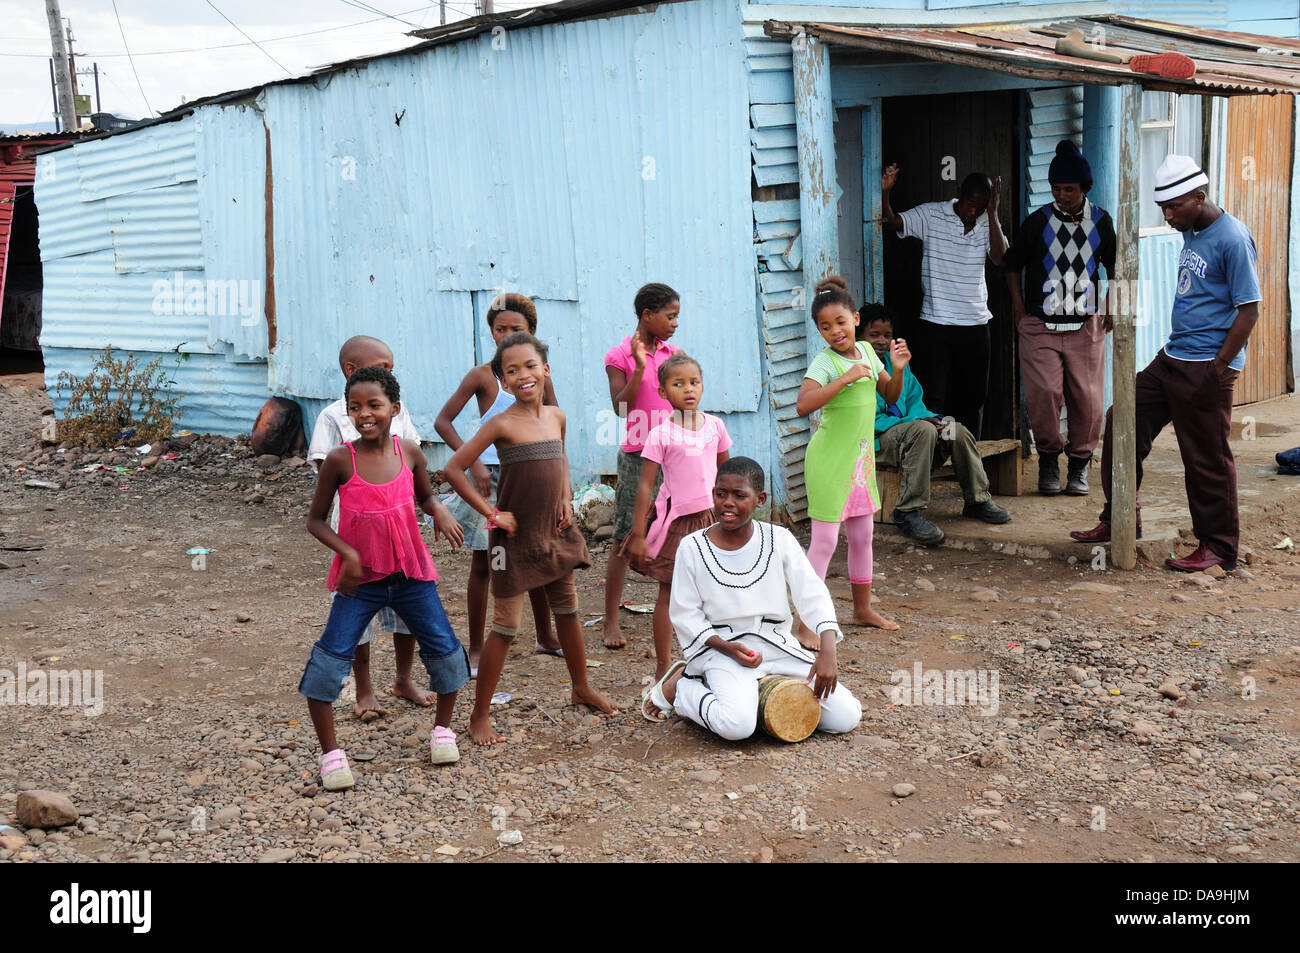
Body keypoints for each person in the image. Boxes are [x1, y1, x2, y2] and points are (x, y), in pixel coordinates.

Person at [1071, 155, 1261, 573]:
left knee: (1205, 457)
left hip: (1207, 365)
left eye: (1174, 206)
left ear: (1199, 196)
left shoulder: (1232, 238)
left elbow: (1249, 310)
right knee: (1122, 419)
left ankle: (1219, 548)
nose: (1169, 215)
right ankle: (1120, 516)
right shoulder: (1193, 229)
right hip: (1172, 357)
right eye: (1163, 209)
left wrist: (1218, 367)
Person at [446, 332, 621, 745]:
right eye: (512, 371)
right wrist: (491, 513)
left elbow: (560, 456)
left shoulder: (556, 416)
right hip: (511, 540)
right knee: (505, 627)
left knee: (569, 611)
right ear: (504, 382)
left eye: (529, 366)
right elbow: (455, 468)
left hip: (554, 531)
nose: (523, 375)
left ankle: (581, 686)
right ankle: (479, 714)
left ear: (545, 369)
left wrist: (565, 496)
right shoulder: (501, 423)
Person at [301, 367, 469, 790]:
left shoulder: (410, 452)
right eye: (355, 407)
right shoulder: (341, 460)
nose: (364, 414)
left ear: (395, 409)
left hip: (411, 573)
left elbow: (425, 495)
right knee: (328, 662)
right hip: (360, 582)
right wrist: (347, 553)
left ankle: (443, 732)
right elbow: (316, 521)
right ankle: (332, 756)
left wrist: (440, 510)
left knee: (447, 653)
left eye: (374, 405)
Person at [641, 457, 862, 741]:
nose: (728, 503)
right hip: (722, 651)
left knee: (846, 717)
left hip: (777, 647)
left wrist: (828, 653)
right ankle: (682, 687)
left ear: (760, 499)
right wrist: (728, 648)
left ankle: (757, 691)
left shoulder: (778, 538)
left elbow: (812, 593)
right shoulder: (692, 547)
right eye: (720, 494)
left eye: (739, 495)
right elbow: (686, 614)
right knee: (737, 727)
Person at [435, 293, 560, 674]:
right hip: (491, 483)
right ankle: (475, 647)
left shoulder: (538, 375)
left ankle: (545, 635)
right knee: (486, 564)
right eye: (499, 329)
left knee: (536, 557)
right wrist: (472, 463)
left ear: (532, 333)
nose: (506, 334)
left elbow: (554, 422)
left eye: (516, 329)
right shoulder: (482, 376)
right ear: (490, 332)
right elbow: (443, 421)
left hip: (528, 479)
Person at [307, 335, 429, 718]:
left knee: (408, 614)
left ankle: (404, 678)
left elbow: (411, 458)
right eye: (382, 367)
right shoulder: (331, 418)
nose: (388, 373)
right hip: (356, 535)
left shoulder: (397, 409)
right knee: (358, 619)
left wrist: (430, 508)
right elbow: (326, 481)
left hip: (401, 531)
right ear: (350, 370)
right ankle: (363, 689)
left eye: (390, 369)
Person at [796, 276, 907, 636]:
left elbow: (890, 396)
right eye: (825, 327)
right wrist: (844, 379)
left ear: (855, 319)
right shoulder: (824, 363)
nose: (835, 331)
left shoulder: (869, 353)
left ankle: (862, 610)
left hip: (859, 464)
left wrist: (898, 367)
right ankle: (804, 623)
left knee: (862, 537)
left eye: (841, 323)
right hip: (829, 462)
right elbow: (803, 404)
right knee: (825, 542)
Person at [1005, 140, 1116, 496]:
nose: (1062, 195)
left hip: (1085, 324)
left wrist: (1114, 303)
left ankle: (1079, 466)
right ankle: (1049, 461)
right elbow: (1011, 265)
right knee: (1045, 394)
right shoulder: (1037, 222)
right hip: (1041, 324)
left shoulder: (1102, 221)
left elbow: (1116, 265)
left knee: (1087, 399)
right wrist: (1020, 310)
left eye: (1069, 188)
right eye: (1056, 188)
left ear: (1084, 187)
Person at [622, 353, 732, 689]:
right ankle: (664, 665)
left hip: (714, 522)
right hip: (680, 524)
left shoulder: (715, 426)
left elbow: (728, 475)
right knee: (668, 594)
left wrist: (737, 518)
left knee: (718, 594)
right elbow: (645, 486)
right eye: (678, 383)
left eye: (694, 382)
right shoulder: (660, 434)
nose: (688, 389)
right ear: (663, 391)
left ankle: (716, 660)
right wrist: (639, 533)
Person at [865, 304, 1010, 546]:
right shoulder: (858, 368)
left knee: (956, 429)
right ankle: (907, 511)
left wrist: (934, 420)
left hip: (909, 434)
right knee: (923, 429)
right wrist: (917, 421)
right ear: (859, 337)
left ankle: (977, 500)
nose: (881, 341)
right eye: (874, 335)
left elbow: (914, 401)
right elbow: (868, 420)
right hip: (878, 442)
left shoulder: (896, 364)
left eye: (887, 335)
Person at [882, 165, 1008, 439]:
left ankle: (967, 456)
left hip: (976, 324)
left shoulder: (987, 220)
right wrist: (885, 192)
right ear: (958, 194)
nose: (972, 211)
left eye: (979, 206)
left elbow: (1000, 258)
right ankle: (934, 457)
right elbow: (894, 223)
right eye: (968, 204)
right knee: (934, 396)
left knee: (973, 398)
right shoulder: (932, 214)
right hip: (936, 323)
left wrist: (993, 213)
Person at [602, 283, 681, 649]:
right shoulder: (618, 355)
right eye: (670, 316)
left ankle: (681, 612)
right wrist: (637, 368)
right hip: (638, 454)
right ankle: (611, 621)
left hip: (675, 452)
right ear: (647, 316)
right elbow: (621, 408)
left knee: (682, 530)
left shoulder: (674, 354)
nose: (675, 323)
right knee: (624, 535)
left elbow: (683, 400)